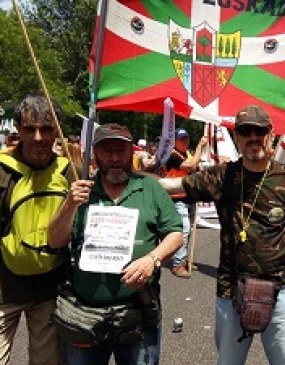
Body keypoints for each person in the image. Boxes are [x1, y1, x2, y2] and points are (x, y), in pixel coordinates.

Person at [159, 105, 285, 365]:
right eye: (245, 131)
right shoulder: (221, 176)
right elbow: (173, 185)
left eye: (260, 131)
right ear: (237, 138)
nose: (253, 137)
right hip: (232, 291)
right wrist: (124, 180)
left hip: (280, 289)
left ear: (271, 135)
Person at [47, 123, 184, 365]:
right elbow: (55, 240)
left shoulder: (150, 187)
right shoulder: (82, 191)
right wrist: (69, 204)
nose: (114, 158)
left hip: (137, 313)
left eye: (121, 151)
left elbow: (175, 234)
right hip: (84, 314)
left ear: (131, 152)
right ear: (95, 154)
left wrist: (152, 259)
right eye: (106, 151)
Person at [0, 94, 69, 365]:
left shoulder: (70, 173)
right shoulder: (2, 171)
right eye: (30, 129)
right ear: (18, 130)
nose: (38, 137)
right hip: (4, 290)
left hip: (49, 291)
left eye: (46, 128)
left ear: (58, 129)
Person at [164, 129, 207, 277]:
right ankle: (178, 264)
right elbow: (190, 167)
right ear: (174, 141)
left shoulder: (187, 154)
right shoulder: (171, 155)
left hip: (188, 197)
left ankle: (183, 259)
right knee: (184, 230)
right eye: (181, 139)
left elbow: (194, 168)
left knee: (189, 231)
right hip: (176, 197)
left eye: (186, 138)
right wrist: (200, 147)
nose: (185, 141)